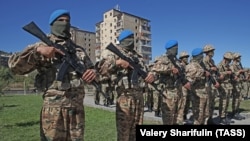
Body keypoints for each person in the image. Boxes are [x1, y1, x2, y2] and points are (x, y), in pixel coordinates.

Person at [8, 9, 97, 141]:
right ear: (52, 24)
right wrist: (38, 52)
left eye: (67, 21)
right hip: (54, 110)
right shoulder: (41, 45)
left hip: (77, 110)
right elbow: (15, 67)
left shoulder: (78, 50)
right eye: (60, 20)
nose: (65, 23)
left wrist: (93, 73)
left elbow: (92, 70)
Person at [100, 29, 154, 141]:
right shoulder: (114, 53)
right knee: (124, 132)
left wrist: (150, 75)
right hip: (125, 97)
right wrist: (117, 63)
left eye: (132, 38)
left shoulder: (137, 56)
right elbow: (101, 69)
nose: (131, 41)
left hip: (139, 97)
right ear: (123, 40)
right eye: (129, 38)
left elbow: (146, 70)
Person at [151, 40, 190, 125]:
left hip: (179, 92)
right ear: (170, 49)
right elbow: (155, 68)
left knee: (178, 119)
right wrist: (170, 70)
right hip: (168, 93)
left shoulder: (178, 61)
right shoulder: (163, 58)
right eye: (175, 48)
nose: (177, 50)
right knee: (168, 119)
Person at [185, 48, 211, 125]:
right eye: (201, 55)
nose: (203, 56)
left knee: (205, 114)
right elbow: (189, 79)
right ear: (198, 56)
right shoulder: (191, 65)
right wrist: (202, 73)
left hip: (203, 92)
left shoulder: (200, 65)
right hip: (197, 93)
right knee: (198, 115)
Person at [202, 44, 220, 124]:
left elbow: (213, 73)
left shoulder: (212, 61)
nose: (213, 52)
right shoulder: (203, 60)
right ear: (207, 52)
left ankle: (210, 119)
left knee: (212, 102)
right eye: (212, 51)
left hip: (212, 84)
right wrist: (211, 68)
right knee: (206, 103)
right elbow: (203, 71)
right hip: (206, 84)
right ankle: (205, 121)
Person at [217, 52, 235, 124]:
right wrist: (226, 73)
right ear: (225, 59)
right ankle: (221, 117)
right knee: (223, 102)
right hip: (223, 86)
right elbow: (217, 76)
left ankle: (224, 116)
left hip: (228, 86)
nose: (230, 61)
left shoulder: (228, 66)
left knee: (227, 102)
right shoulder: (219, 65)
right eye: (229, 60)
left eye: (230, 60)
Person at [230, 52, 246, 120]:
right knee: (235, 99)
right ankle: (234, 113)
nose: (240, 58)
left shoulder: (239, 65)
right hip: (235, 84)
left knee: (239, 99)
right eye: (238, 57)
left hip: (239, 84)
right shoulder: (232, 65)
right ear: (235, 58)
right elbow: (232, 75)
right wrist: (239, 72)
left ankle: (237, 112)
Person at [178, 51, 192, 123]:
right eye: (185, 57)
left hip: (189, 86)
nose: (187, 58)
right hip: (182, 86)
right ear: (181, 58)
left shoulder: (188, 65)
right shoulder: (180, 66)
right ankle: (180, 118)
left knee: (187, 102)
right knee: (182, 102)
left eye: (187, 57)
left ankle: (185, 116)